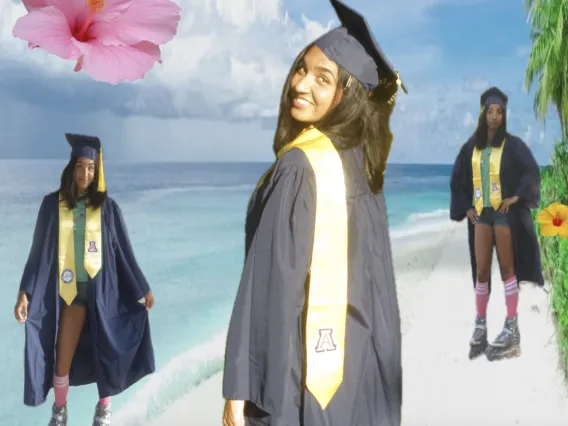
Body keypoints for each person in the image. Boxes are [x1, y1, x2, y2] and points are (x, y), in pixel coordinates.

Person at [221, 0, 407, 425]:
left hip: (302, 377)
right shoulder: (361, 167)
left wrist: (240, 389)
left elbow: (268, 288)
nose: (300, 84)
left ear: (347, 96)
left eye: (323, 78)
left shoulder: (299, 167)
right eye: (301, 69)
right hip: (359, 366)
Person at [13, 134, 156, 426]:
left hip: (104, 295)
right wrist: (25, 292)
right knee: (61, 357)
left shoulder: (107, 208)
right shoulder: (53, 206)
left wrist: (142, 288)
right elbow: (38, 252)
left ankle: (103, 409)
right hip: (70, 295)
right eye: (80, 166)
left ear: (97, 171)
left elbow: (123, 253)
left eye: (91, 168)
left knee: (108, 352)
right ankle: (60, 411)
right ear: (71, 168)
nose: (85, 173)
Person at [450, 87, 544, 361]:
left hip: (502, 215)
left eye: (499, 112)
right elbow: (458, 177)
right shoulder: (472, 146)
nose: (494, 116)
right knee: (481, 271)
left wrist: (516, 197)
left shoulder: (512, 144)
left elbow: (531, 170)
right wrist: (466, 206)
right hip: (482, 214)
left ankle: (512, 326)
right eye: (490, 112)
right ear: (483, 113)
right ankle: (480, 324)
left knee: (507, 269)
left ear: (503, 115)